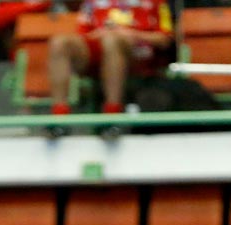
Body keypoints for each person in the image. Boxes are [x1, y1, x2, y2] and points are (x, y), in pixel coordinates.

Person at [46, 0, 174, 139]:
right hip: (98, 51)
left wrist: (129, 34)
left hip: (139, 55)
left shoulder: (156, 2)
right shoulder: (92, 2)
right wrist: (101, 33)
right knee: (60, 42)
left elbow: (165, 39)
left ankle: (112, 116)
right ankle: (59, 117)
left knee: (112, 41)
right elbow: (83, 35)